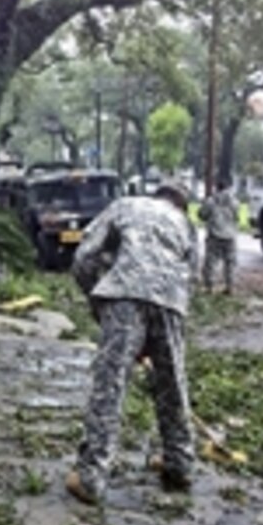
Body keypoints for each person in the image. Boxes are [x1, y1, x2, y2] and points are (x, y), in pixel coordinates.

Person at [65, 181, 197, 504]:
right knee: (172, 382)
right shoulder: (185, 224)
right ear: (180, 204)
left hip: (123, 294)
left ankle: (91, 476)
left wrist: (98, 299)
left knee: (110, 385)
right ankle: (179, 464)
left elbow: (84, 255)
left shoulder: (126, 205)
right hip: (170, 302)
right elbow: (191, 273)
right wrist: (162, 327)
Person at [198, 177, 239, 294]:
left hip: (214, 234)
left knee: (211, 261)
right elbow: (237, 217)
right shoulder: (234, 202)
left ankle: (209, 286)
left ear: (217, 188)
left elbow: (201, 215)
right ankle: (230, 286)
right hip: (230, 236)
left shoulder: (211, 201)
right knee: (230, 262)